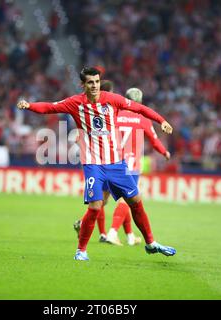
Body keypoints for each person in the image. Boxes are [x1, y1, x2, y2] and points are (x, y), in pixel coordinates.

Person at [17, 66, 176, 261]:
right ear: (83, 84)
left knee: (136, 202)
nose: (95, 86)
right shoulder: (75, 103)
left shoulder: (112, 99)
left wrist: (162, 121)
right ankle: (81, 251)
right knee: (95, 206)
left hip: (117, 163)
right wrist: (29, 105)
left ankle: (151, 243)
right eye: (90, 82)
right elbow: (50, 107)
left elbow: (140, 108)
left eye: (97, 82)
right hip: (93, 164)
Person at [74, 86, 171, 247]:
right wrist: (165, 152)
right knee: (128, 201)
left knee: (101, 201)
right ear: (140, 102)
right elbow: (154, 141)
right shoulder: (142, 119)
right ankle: (112, 232)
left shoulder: (114, 114)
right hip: (130, 164)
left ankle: (128, 235)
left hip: (109, 161)